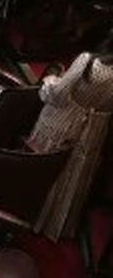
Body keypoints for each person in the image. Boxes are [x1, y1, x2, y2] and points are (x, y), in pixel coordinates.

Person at [27, 37, 113, 239]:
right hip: (93, 134)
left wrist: (49, 81)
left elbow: (57, 95)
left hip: (63, 125)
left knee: (47, 170)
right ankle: (56, 227)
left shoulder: (88, 62)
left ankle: (29, 214)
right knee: (72, 178)